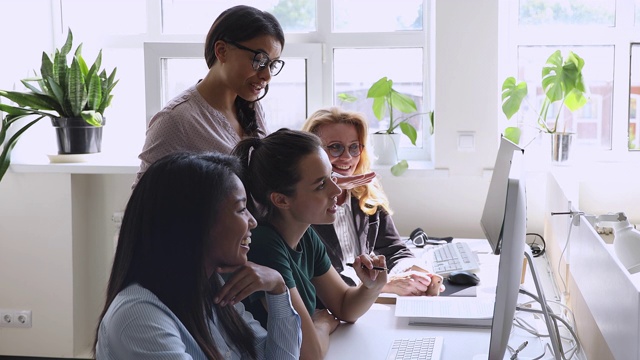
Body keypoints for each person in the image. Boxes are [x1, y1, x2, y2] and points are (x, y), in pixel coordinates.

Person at [94, 152, 301, 359]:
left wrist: (278, 288)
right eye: (241, 209)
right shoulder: (139, 316)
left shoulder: (213, 291)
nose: (252, 221)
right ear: (196, 223)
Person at [232, 129, 387, 360]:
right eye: (321, 185)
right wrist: (322, 322)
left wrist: (371, 287)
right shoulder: (264, 245)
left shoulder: (305, 234)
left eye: (332, 178)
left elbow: (344, 306)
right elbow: (308, 354)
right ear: (281, 199)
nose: (337, 190)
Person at [133, 5, 285, 187]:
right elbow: (144, 202)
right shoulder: (175, 121)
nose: (267, 75)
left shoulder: (252, 106)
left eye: (273, 65)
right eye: (260, 60)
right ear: (221, 51)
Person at [302, 107, 437, 296]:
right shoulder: (301, 207)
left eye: (354, 147)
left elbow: (392, 249)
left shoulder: (366, 194)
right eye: (335, 147)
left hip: (364, 304)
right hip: (330, 307)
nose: (347, 157)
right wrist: (381, 284)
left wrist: (413, 271)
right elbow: (313, 278)